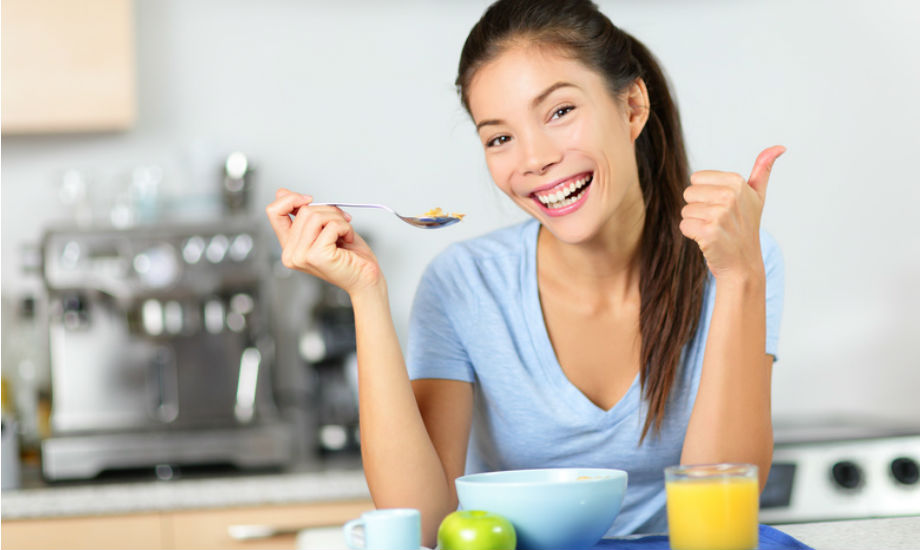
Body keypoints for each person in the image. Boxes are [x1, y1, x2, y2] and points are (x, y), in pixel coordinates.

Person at [266, 0, 785, 545]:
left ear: (632, 106)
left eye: (560, 112)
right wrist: (365, 295)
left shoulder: (734, 257)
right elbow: (421, 523)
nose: (533, 159)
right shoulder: (464, 284)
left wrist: (740, 275)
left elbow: (723, 505)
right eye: (499, 137)